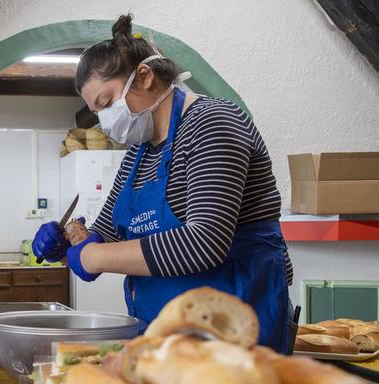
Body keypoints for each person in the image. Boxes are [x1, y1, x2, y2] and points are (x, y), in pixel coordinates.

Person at [32, 15, 294, 353]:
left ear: (145, 76)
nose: (105, 119)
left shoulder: (212, 123)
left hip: (236, 335)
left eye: (107, 102)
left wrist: (92, 256)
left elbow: (204, 243)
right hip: (167, 338)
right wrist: (71, 241)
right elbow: (110, 232)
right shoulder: (138, 155)